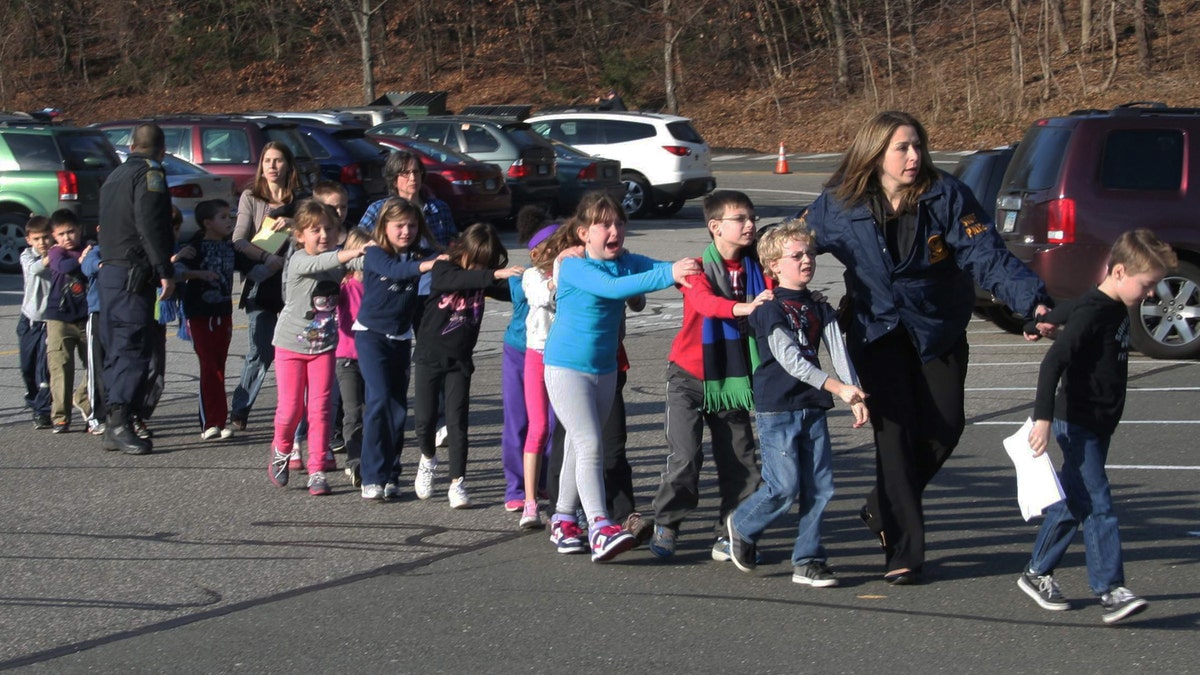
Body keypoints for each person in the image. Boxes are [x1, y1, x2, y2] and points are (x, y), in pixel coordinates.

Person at [800, 110, 1053, 584]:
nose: (914, 156)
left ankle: (882, 506)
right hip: (875, 331)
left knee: (946, 426)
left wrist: (1032, 303)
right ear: (876, 153)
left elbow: (988, 256)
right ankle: (903, 551)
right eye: (902, 147)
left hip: (937, 327)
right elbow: (791, 245)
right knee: (893, 439)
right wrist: (754, 285)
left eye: (917, 145)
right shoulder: (838, 203)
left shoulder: (947, 195)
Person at [1017, 229, 1175, 625]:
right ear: (1119, 271)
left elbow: (1068, 309)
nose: (1151, 294)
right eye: (1147, 285)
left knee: (1075, 501)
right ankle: (1110, 589)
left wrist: (1041, 323)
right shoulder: (1096, 310)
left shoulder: (1107, 302)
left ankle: (1037, 573)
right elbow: (1052, 364)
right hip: (1078, 422)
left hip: (1099, 422)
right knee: (1099, 503)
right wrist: (1043, 419)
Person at [543, 191, 700, 562]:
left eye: (619, 223)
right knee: (589, 443)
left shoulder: (625, 261)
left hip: (605, 368)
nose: (614, 230)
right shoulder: (576, 266)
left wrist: (691, 268)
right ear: (584, 233)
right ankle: (599, 526)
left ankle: (564, 519)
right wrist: (669, 273)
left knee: (578, 447)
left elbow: (653, 269)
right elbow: (614, 288)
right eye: (604, 224)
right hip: (566, 367)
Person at [724, 218, 869, 586]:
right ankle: (741, 525)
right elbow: (790, 359)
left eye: (809, 254)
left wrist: (854, 391)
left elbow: (837, 347)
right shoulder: (768, 308)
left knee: (820, 487)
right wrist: (838, 388)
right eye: (796, 255)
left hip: (813, 405)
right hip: (778, 407)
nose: (806, 260)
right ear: (774, 264)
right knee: (783, 488)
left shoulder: (819, 305)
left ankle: (808, 560)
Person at [648, 190, 772, 561]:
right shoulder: (695, 269)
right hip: (689, 375)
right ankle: (667, 522)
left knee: (740, 459)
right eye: (741, 219)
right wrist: (743, 307)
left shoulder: (759, 267)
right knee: (686, 457)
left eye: (752, 217)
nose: (750, 225)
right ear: (715, 227)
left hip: (732, 378)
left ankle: (732, 530)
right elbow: (703, 303)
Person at [412, 223, 524, 508]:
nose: (479, 268)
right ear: (463, 251)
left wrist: (534, 281)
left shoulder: (483, 277)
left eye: (485, 264)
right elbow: (456, 282)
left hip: (460, 361)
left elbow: (510, 290)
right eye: (475, 260)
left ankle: (457, 482)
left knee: (457, 423)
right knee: (424, 420)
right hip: (429, 356)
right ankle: (427, 459)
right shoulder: (444, 268)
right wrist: (492, 274)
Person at [267, 200, 366, 495]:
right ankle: (282, 449)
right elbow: (323, 263)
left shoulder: (338, 258)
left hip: (324, 347)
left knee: (321, 408)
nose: (323, 235)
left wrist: (382, 255)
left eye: (329, 229)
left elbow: (362, 264)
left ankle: (317, 469)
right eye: (315, 230)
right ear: (300, 235)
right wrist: (351, 252)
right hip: (289, 345)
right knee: (291, 409)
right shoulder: (299, 259)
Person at [96, 123, 176, 454]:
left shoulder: (114, 177)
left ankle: (113, 420)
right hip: (133, 273)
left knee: (115, 348)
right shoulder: (150, 174)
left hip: (111, 272)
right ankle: (120, 422)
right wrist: (164, 269)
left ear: (131, 146)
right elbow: (151, 223)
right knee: (133, 347)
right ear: (161, 151)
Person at [355, 198, 440, 501]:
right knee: (377, 399)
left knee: (396, 407)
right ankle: (371, 476)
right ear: (384, 227)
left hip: (400, 338)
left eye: (412, 225)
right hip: (371, 335)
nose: (406, 231)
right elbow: (397, 271)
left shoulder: (422, 253)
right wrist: (428, 264)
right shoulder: (376, 253)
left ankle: (391, 473)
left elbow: (447, 261)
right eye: (399, 226)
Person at [229, 141, 304, 431]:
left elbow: (317, 234)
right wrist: (265, 257)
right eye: (267, 160)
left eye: (278, 160)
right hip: (261, 281)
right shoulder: (251, 197)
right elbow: (238, 240)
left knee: (296, 354)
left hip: (294, 286)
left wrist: (293, 224)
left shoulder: (301, 199)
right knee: (260, 351)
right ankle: (240, 409)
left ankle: (296, 416)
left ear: (288, 165)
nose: (272, 166)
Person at [499, 206, 554, 517]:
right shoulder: (525, 277)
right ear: (537, 254)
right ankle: (516, 488)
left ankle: (543, 479)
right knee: (520, 421)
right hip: (520, 352)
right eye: (553, 247)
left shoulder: (567, 269)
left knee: (553, 421)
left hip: (555, 354)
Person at [176, 199, 244, 440]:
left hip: (223, 313)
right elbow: (175, 271)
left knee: (220, 365)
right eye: (223, 217)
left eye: (230, 216)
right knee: (209, 366)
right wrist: (196, 273)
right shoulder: (195, 247)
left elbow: (252, 266)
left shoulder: (230, 247)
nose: (230, 221)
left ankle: (219, 420)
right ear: (207, 223)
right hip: (199, 314)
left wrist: (272, 260)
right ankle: (209, 423)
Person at [515, 219, 564, 528]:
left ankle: (563, 497)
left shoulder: (573, 269)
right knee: (540, 426)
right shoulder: (532, 276)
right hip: (537, 354)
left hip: (566, 357)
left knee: (566, 428)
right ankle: (530, 502)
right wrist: (561, 270)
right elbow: (542, 297)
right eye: (556, 245)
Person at [44, 210, 93, 434]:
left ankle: (84, 399)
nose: (67, 237)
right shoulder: (56, 253)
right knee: (61, 367)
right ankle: (60, 417)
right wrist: (82, 260)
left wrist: (88, 256)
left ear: (80, 229)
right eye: (61, 233)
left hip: (86, 316)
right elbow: (63, 268)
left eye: (71, 231)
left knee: (93, 364)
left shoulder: (89, 248)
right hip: (59, 318)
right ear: (54, 235)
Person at [335, 228, 372, 487]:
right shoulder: (344, 285)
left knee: (372, 411)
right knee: (353, 412)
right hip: (346, 357)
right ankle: (354, 461)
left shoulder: (376, 283)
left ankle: (371, 458)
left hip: (372, 355)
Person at [18, 215, 54, 430]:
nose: (42, 243)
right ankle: (31, 398)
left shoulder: (59, 256)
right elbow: (35, 269)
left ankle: (42, 411)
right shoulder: (27, 257)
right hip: (29, 320)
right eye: (37, 238)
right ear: (29, 240)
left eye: (46, 238)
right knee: (26, 367)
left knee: (44, 371)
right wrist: (53, 255)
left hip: (49, 321)